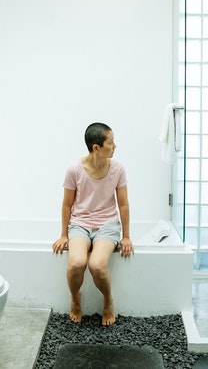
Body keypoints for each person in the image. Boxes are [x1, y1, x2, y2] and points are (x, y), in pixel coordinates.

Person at [52, 122, 133, 326]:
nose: (115, 145)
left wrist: (126, 236)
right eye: (111, 142)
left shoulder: (117, 168)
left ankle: (108, 300)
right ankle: (75, 297)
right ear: (97, 147)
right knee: (76, 264)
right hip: (80, 224)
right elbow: (67, 205)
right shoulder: (74, 170)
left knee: (97, 265)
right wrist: (64, 234)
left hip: (107, 225)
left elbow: (123, 204)